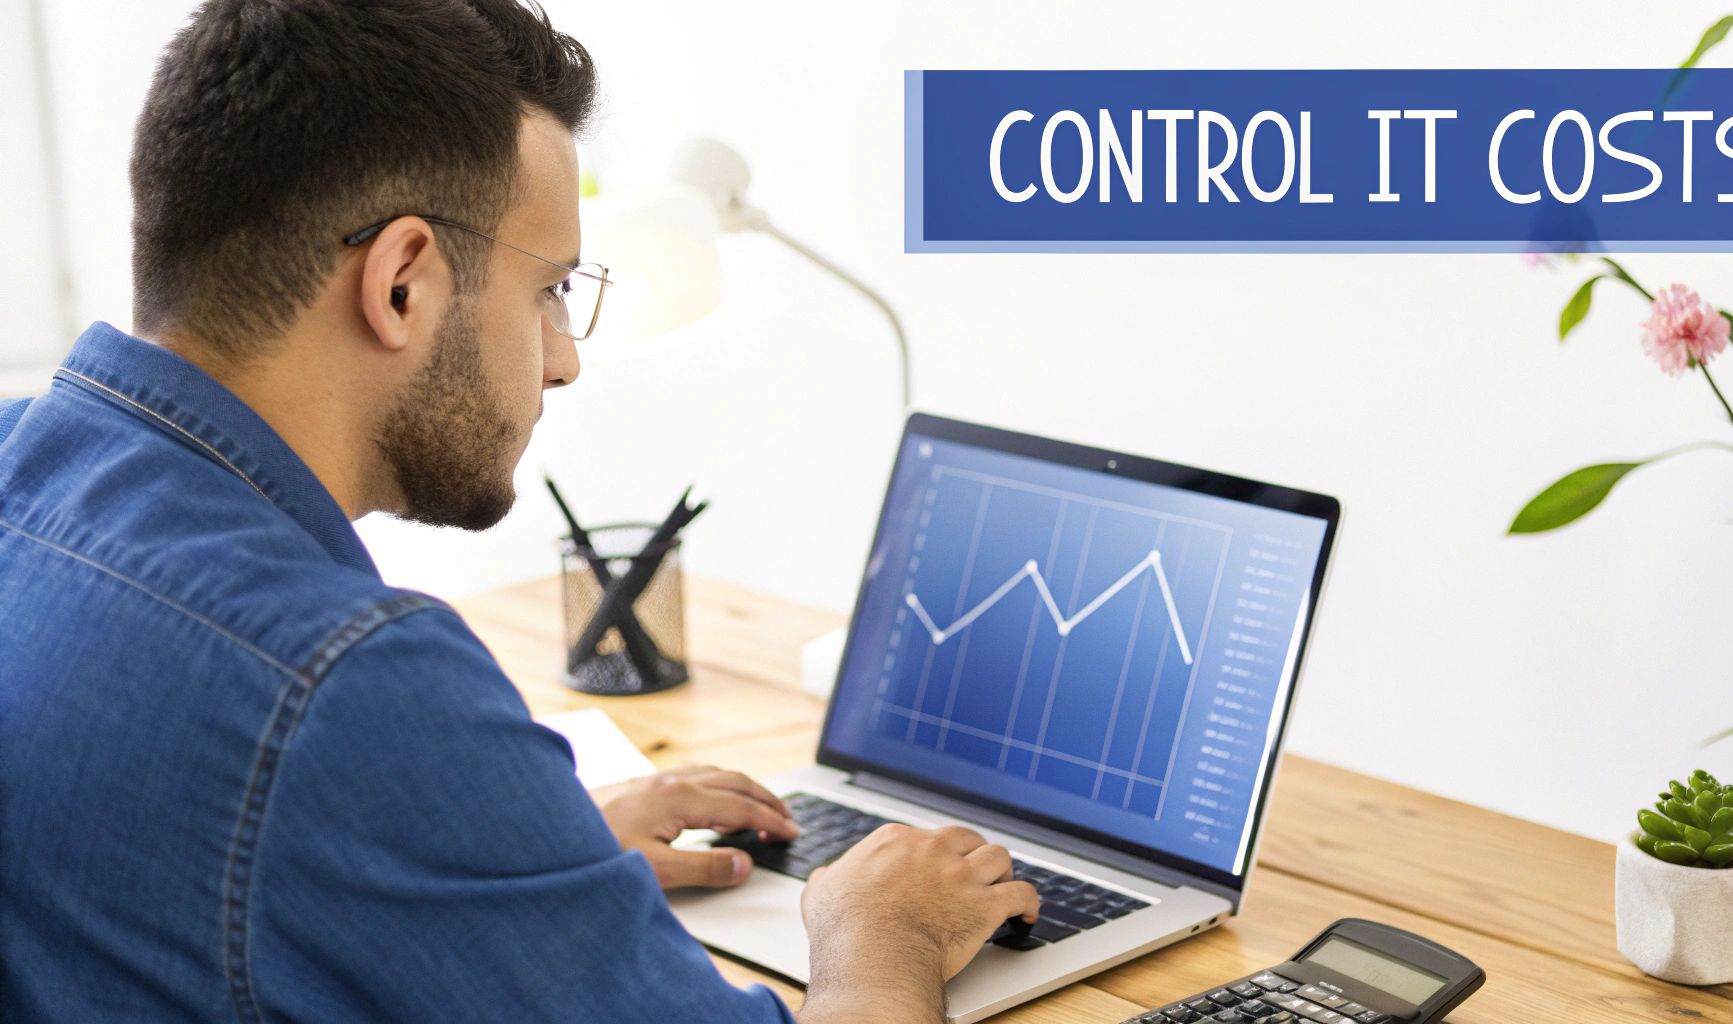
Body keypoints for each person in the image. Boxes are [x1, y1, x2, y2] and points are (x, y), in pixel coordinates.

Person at [0, 2, 1037, 1021]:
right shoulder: (349, 683)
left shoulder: (17, 466)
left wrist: (501, 855)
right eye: (550, 289)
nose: (564, 358)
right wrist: (877, 935)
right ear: (401, 282)